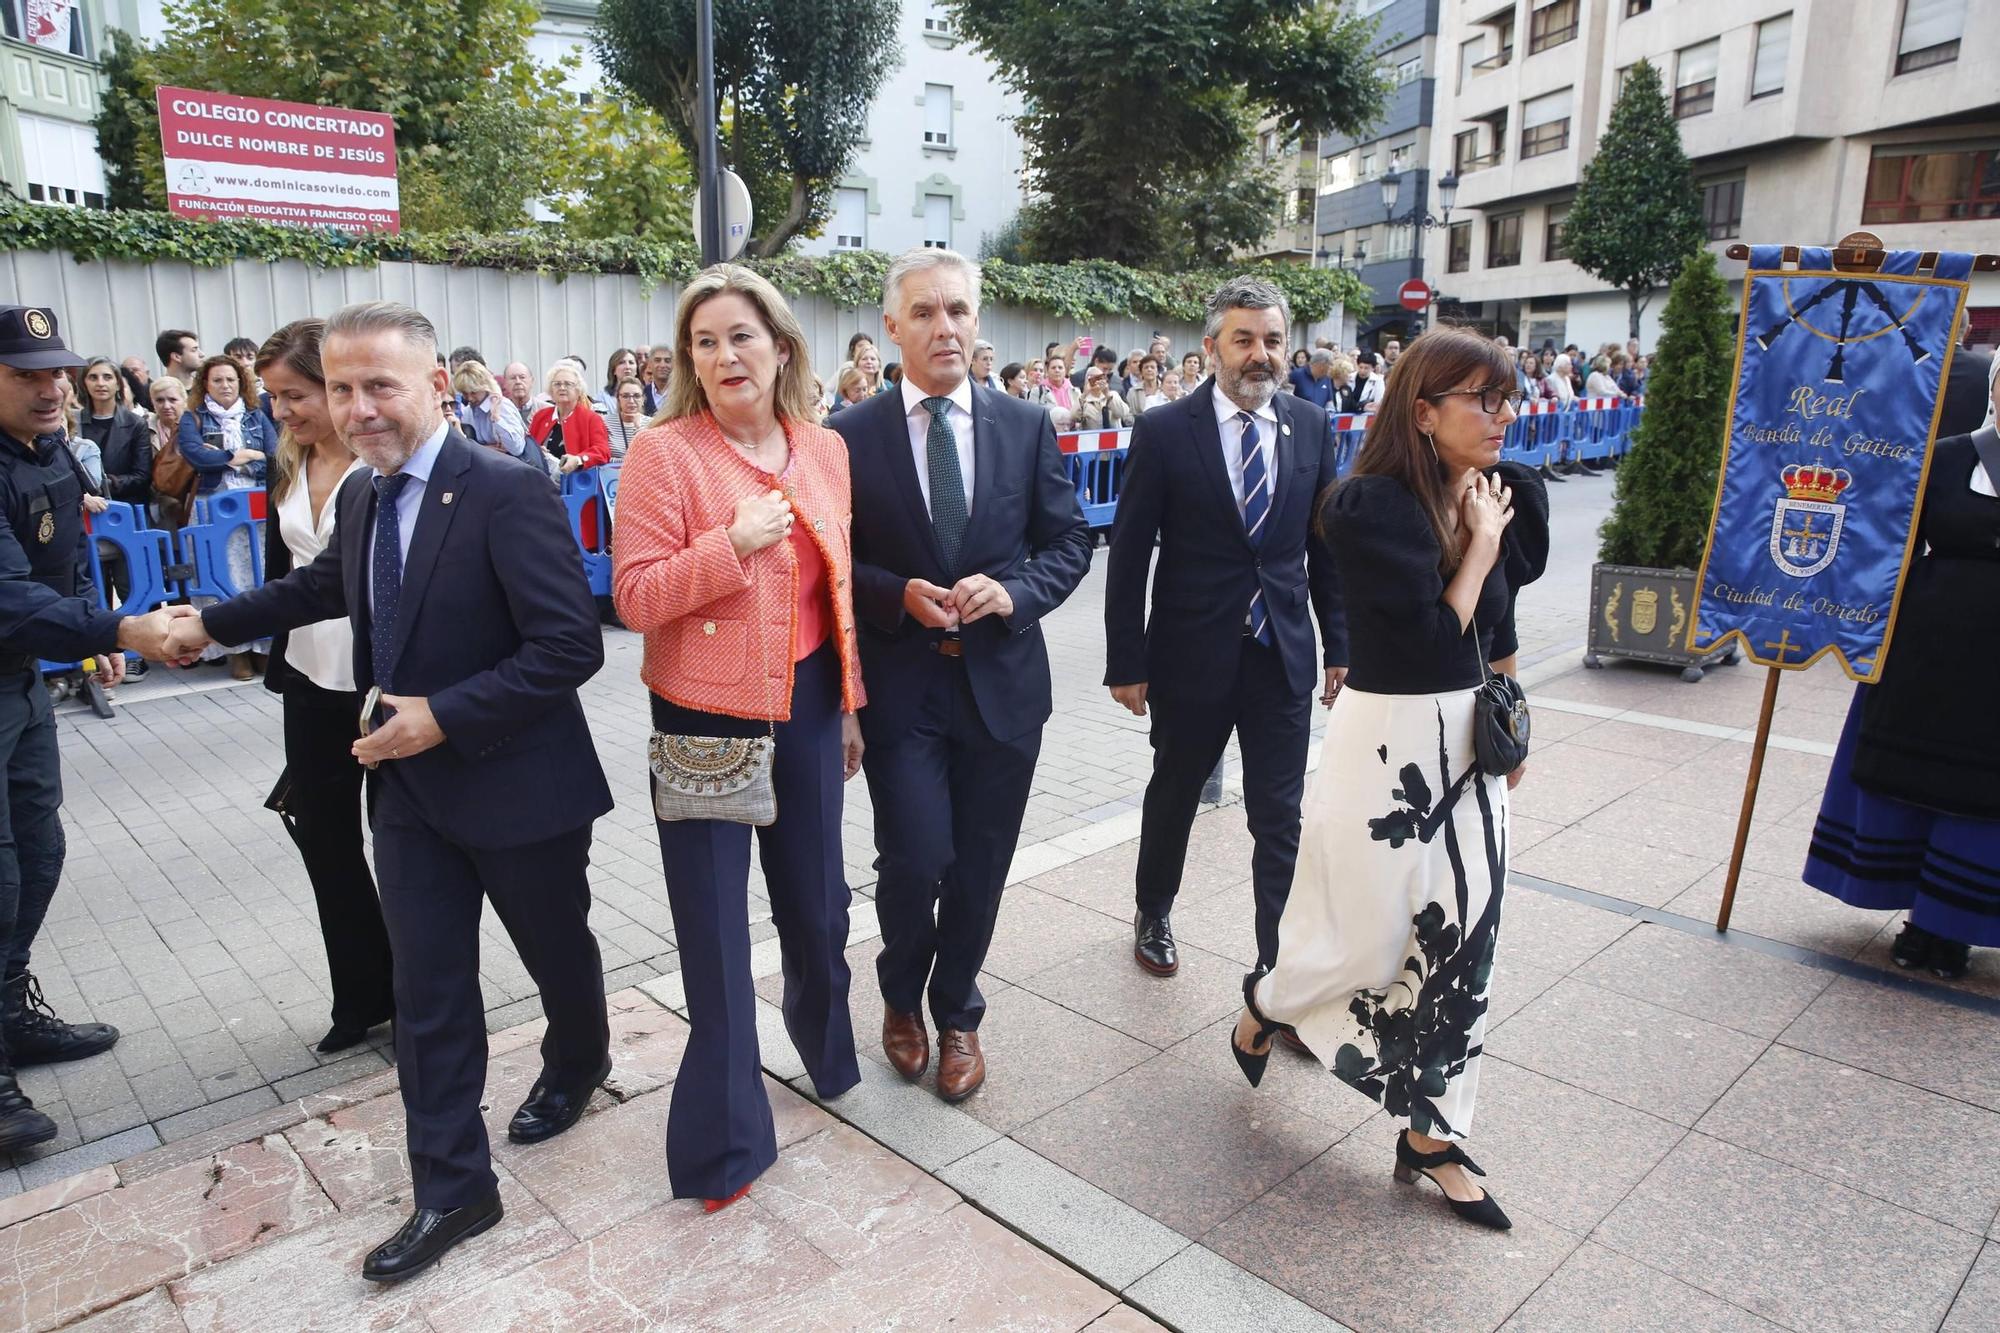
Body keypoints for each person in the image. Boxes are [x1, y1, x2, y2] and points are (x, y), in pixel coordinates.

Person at [170, 300, 614, 1283]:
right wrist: (210, 622)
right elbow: (319, 590)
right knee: (429, 992)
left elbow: (568, 644)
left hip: (521, 790)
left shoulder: (506, 489)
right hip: (408, 795)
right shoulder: (366, 497)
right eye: (342, 388)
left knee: (557, 956)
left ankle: (580, 1056)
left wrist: (442, 714)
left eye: (381, 385)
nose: (359, 406)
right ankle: (454, 1186)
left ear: (434, 386)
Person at [1229, 327, 1546, 1232]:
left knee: (1464, 940)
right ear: (1424, 410)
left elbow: (1497, 625)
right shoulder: (1366, 508)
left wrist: (1514, 720)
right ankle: (1268, 1000)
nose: (1503, 415)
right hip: (1388, 745)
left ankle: (1433, 1133)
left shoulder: (1499, 493)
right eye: (1482, 399)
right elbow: (1423, 643)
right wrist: (1478, 543)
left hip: (1468, 746)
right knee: (1367, 939)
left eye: (1506, 397)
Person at [610, 263, 866, 1210]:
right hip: (702, 717)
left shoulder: (825, 451)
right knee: (716, 941)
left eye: (740, 336)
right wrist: (734, 545)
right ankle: (722, 1149)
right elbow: (634, 596)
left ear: (783, 346)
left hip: (805, 707)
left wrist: (848, 703)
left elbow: (836, 592)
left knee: (819, 908)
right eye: (703, 341)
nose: (723, 355)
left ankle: (828, 1055)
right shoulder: (664, 454)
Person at [830, 248, 1091, 1103]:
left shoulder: (1022, 425)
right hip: (903, 689)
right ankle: (899, 994)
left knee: (980, 863)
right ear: (892, 328)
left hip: (1002, 689)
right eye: (927, 312)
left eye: (960, 311)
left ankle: (958, 1012)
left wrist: (1013, 592)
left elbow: (1068, 543)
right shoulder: (848, 435)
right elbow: (828, 564)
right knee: (915, 855)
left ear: (977, 323)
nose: (947, 327)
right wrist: (894, 593)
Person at [1104, 276, 1347, 980]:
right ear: (1212, 347)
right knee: (1175, 790)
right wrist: (1128, 658)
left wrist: (1340, 644)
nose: (1260, 355)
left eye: (1272, 340)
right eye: (1244, 340)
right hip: (1190, 656)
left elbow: (1323, 545)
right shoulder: (1163, 430)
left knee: (1280, 816)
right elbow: (1128, 553)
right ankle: (1154, 906)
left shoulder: (1310, 424)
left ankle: (1282, 970)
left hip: (1281, 659)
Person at [0, 305, 191, 1156]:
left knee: (39, 850)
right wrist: (115, 632)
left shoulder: (44, 454)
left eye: (56, 372)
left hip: (20, 683)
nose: (51, 388)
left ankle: (9, 1014)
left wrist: (84, 646)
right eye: (26, 375)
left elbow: (65, 560)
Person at [1804, 353, 1999, 979]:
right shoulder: (1946, 457)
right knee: (1915, 780)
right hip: (1929, 647)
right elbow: (1885, 541)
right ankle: (1918, 919)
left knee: (1982, 793)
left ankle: (1956, 925)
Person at [248, 320, 396, 1054]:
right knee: (326, 844)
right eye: (273, 397)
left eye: (295, 394)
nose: (284, 411)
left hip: (379, 685)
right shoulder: (286, 466)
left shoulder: (380, 471)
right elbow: (287, 578)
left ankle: (417, 999)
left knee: (401, 851)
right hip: (309, 682)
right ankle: (359, 995)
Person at [179, 355, 278, 680]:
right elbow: (195, 455)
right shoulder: (193, 417)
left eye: (230, 380)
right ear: (205, 384)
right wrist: (235, 457)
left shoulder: (255, 415)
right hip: (210, 508)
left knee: (258, 577)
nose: (225, 386)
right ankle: (235, 651)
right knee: (220, 579)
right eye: (217, 380)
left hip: (255, 510)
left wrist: (230, 460)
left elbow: (274, 458)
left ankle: (263, 647)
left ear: (241, 383)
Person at [78, 357, 153, 508]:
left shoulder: (135, 423)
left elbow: (142, 476)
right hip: (83, 507)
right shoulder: (74, 421)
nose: (100, 383)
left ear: (118, 384)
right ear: (84, 384)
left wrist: (104, 484)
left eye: (107, 377)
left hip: (125, 506)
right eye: (93, 377)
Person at [452, 361, 546, 475]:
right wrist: (485, 449)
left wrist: (496, 419)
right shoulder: (468, 412)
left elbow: (517, 448)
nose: (470, 398)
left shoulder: (502, 406)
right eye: (465, 394)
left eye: (474, 392)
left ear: (485, 387)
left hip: (513, 473)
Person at [529, 362, 612, 477]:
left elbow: (603, 452)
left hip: (578, 484)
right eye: (557, 384)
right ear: (551, 390)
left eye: (568, 384)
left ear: (578, 390)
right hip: (542, 481)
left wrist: (578, 460)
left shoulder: (592, 419)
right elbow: (529, 447)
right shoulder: (540, 416)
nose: (562, 388)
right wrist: (537, 452)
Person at [1076, 363, 1134, 429]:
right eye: (1092, 379)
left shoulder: (1113, 395)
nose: (1096, 381)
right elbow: (1074, 417)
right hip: (1092, 437)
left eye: (1100, 378)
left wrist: (1107, 394)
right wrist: (1084, 394)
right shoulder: (1083, 399)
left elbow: (1123, 413)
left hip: (1114, 436)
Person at [596, 348, 639, 413]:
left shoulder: (646, 394)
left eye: (631, 362)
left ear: (636, 370)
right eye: (622, 363)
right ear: (614, 370)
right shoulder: (602, 397)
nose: (627, 367)